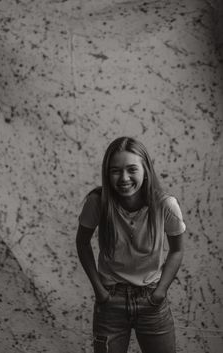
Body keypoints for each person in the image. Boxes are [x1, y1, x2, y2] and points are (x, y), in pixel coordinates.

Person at [76, 136, 186, 353]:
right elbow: (82, 243)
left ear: (146, 170)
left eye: (132, 169)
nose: (124, 177)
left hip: (152, 300)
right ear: (107, 173)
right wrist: (99, 290)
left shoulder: (166, 205)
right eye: (115, 170)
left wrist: (160, 291)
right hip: (110, 300)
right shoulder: (97, 203)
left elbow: (177, 249)